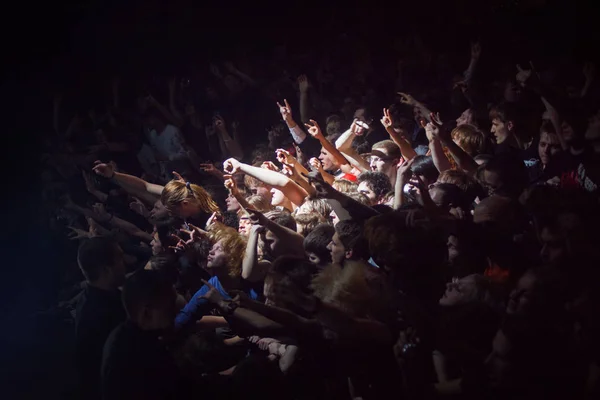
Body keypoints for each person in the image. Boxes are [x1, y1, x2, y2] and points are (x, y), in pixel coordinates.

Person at [101, 270, 201, 400]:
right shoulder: (142, 358)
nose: (176, 312)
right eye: (170, 306)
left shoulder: (122, 336)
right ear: (146, 313)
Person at [75, 237, 126, 400]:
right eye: (120, 258)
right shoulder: (101, 315)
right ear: (107, 270)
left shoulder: (101, 298)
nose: (125, 263)